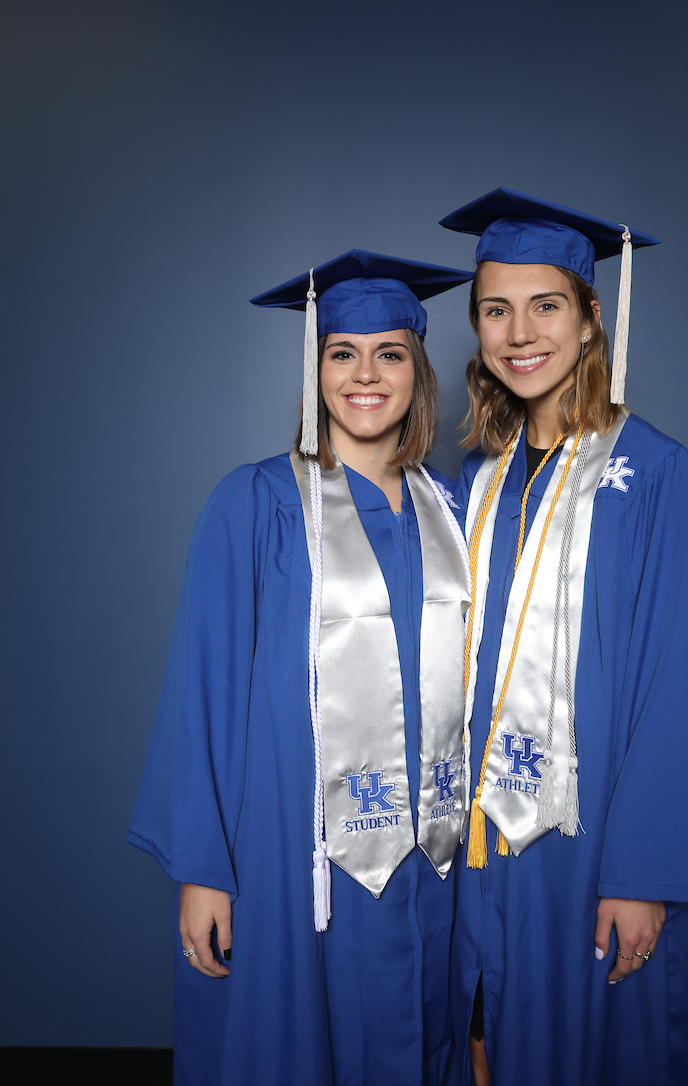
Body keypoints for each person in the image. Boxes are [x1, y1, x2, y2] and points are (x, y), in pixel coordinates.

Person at [127, 249, 473, 1086]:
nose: (366, 375)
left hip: (431, 849)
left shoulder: (455, 509)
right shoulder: (253, 504)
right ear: (316, 370)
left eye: (390, 354)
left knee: (425, 1021)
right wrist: (203, 871)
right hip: (296, 849)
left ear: (418, 372)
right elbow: (203, 692)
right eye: (342, 353)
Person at [438, 189, 688, 1086]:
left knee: (589, 1042)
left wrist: (644, 871)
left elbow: (677, 680)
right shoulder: (475, 483)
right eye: (497, 310)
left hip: (592, 839)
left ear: (590, 318)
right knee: (478, 1019)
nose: (520, 332)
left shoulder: (656, 475)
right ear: (477, 327)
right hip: (474, 840)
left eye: (546, 305)